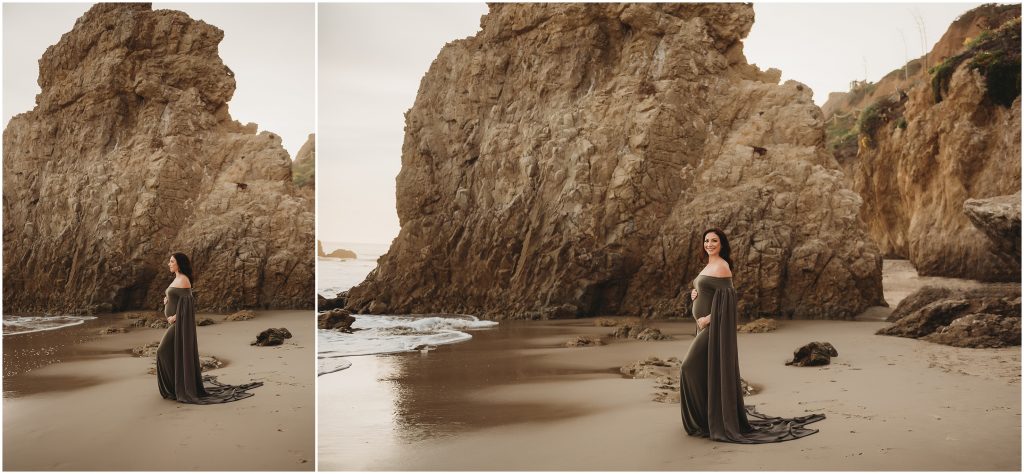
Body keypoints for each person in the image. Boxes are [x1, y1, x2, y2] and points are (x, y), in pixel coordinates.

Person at [679, 229, 824, 443]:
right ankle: (706, 419)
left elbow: (729, 301)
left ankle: (703, 420)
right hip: (704, 327)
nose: (709, 244)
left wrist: (707, 319)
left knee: (688, 368)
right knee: (702, 371)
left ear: (722, 244)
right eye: (706, 240)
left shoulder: (722, 266)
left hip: (713, 329)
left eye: (714, 241)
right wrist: (694, 294)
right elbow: (710, 293)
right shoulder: (710, 265)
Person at [156, 252, 262, 404]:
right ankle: (175, 386)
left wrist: (176, 317)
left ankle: (174, 388)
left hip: (180, 325)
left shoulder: (184, 280)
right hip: (174, 323)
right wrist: (167, 301)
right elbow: (177, 299)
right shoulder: (176, 278)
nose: (169, 263)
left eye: (172, 261)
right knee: (170, 353)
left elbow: (188, 305)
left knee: (162, 351)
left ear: (179, 263)